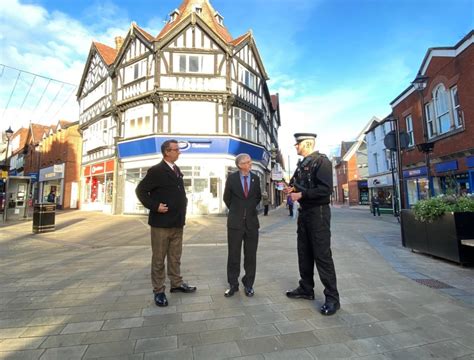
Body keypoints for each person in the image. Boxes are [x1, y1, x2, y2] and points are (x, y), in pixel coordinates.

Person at [284, 133, 340, 316]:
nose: (296, 147)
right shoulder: (303, 164)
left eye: (298, 144)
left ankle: (332, 299)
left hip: (319, 213)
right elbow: (296, 185)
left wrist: (301, 195)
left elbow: (325, 190)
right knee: (304, 252)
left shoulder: (321, 162)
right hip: (305, 213)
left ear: (307, 144)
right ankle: (306, 288)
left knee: (322, 255)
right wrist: (291, 189)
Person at [135, 139, 196, 307]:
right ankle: (159, 291)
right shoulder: (156, 170)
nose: (179, 152)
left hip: (177, 222)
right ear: (167, 152)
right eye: (176, 150)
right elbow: (140, 190)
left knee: (175, 256)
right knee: (159, 259)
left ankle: (176, 284)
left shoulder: (176, 170)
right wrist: (154, 206)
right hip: (161, 224)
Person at [223, 153, 262, 297]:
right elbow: (226, 198)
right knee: (233, 255)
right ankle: (233, 284)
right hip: (235, 223)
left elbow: (257, 196)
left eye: (250, 161)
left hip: (252, 223)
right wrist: (237, 210)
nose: (250, 163)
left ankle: (249, 284)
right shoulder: (232, 179)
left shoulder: (255, 178)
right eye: (247, 162)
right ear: (240, 165)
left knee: (250, 256)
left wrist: (249, 208)